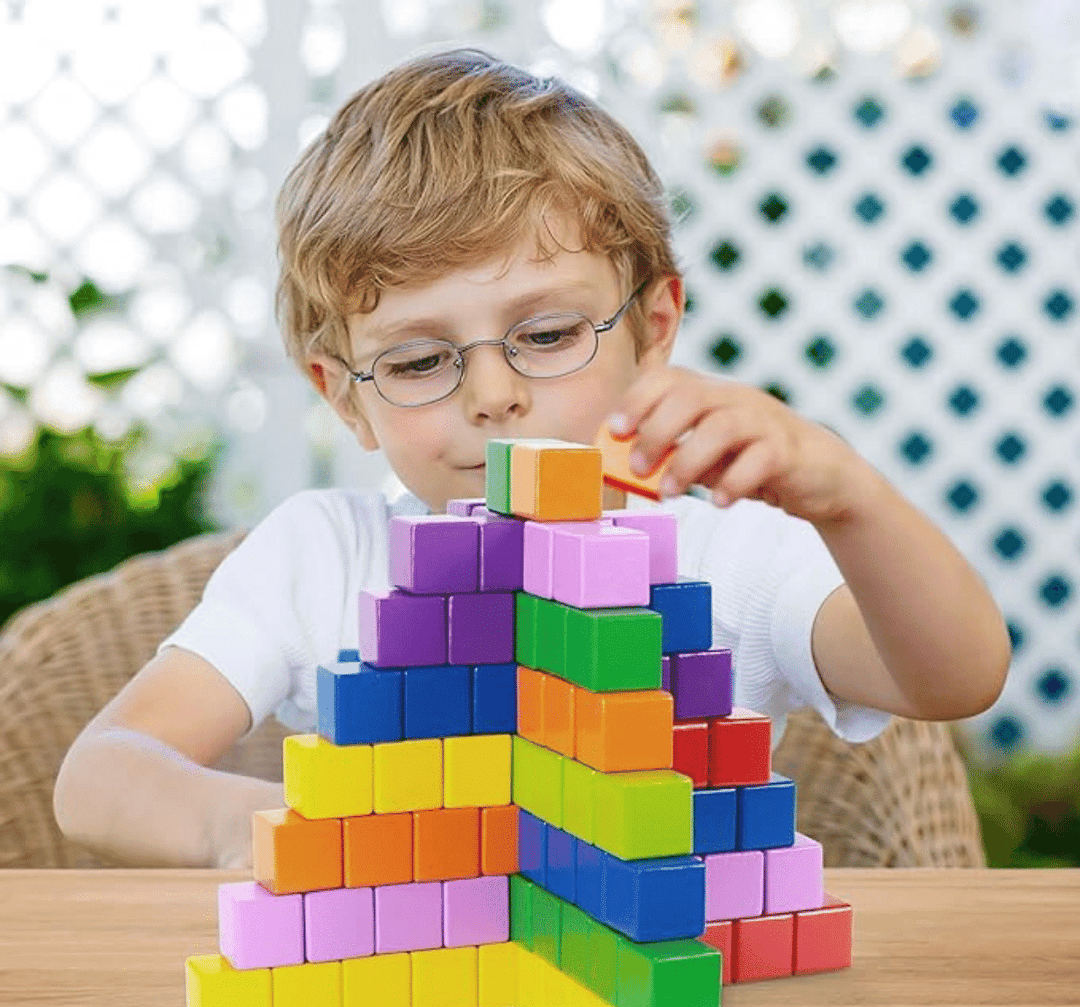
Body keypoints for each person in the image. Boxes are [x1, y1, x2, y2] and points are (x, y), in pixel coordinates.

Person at [53, 47, 1010, 870]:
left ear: (653, 327)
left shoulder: (729, 549)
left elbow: (953, 678)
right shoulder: (320, 556)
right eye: (420, 360)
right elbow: (101, 773)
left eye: (548, 334)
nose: (492, 395)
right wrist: (242, 826)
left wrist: (845, 501)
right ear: (344, 394)